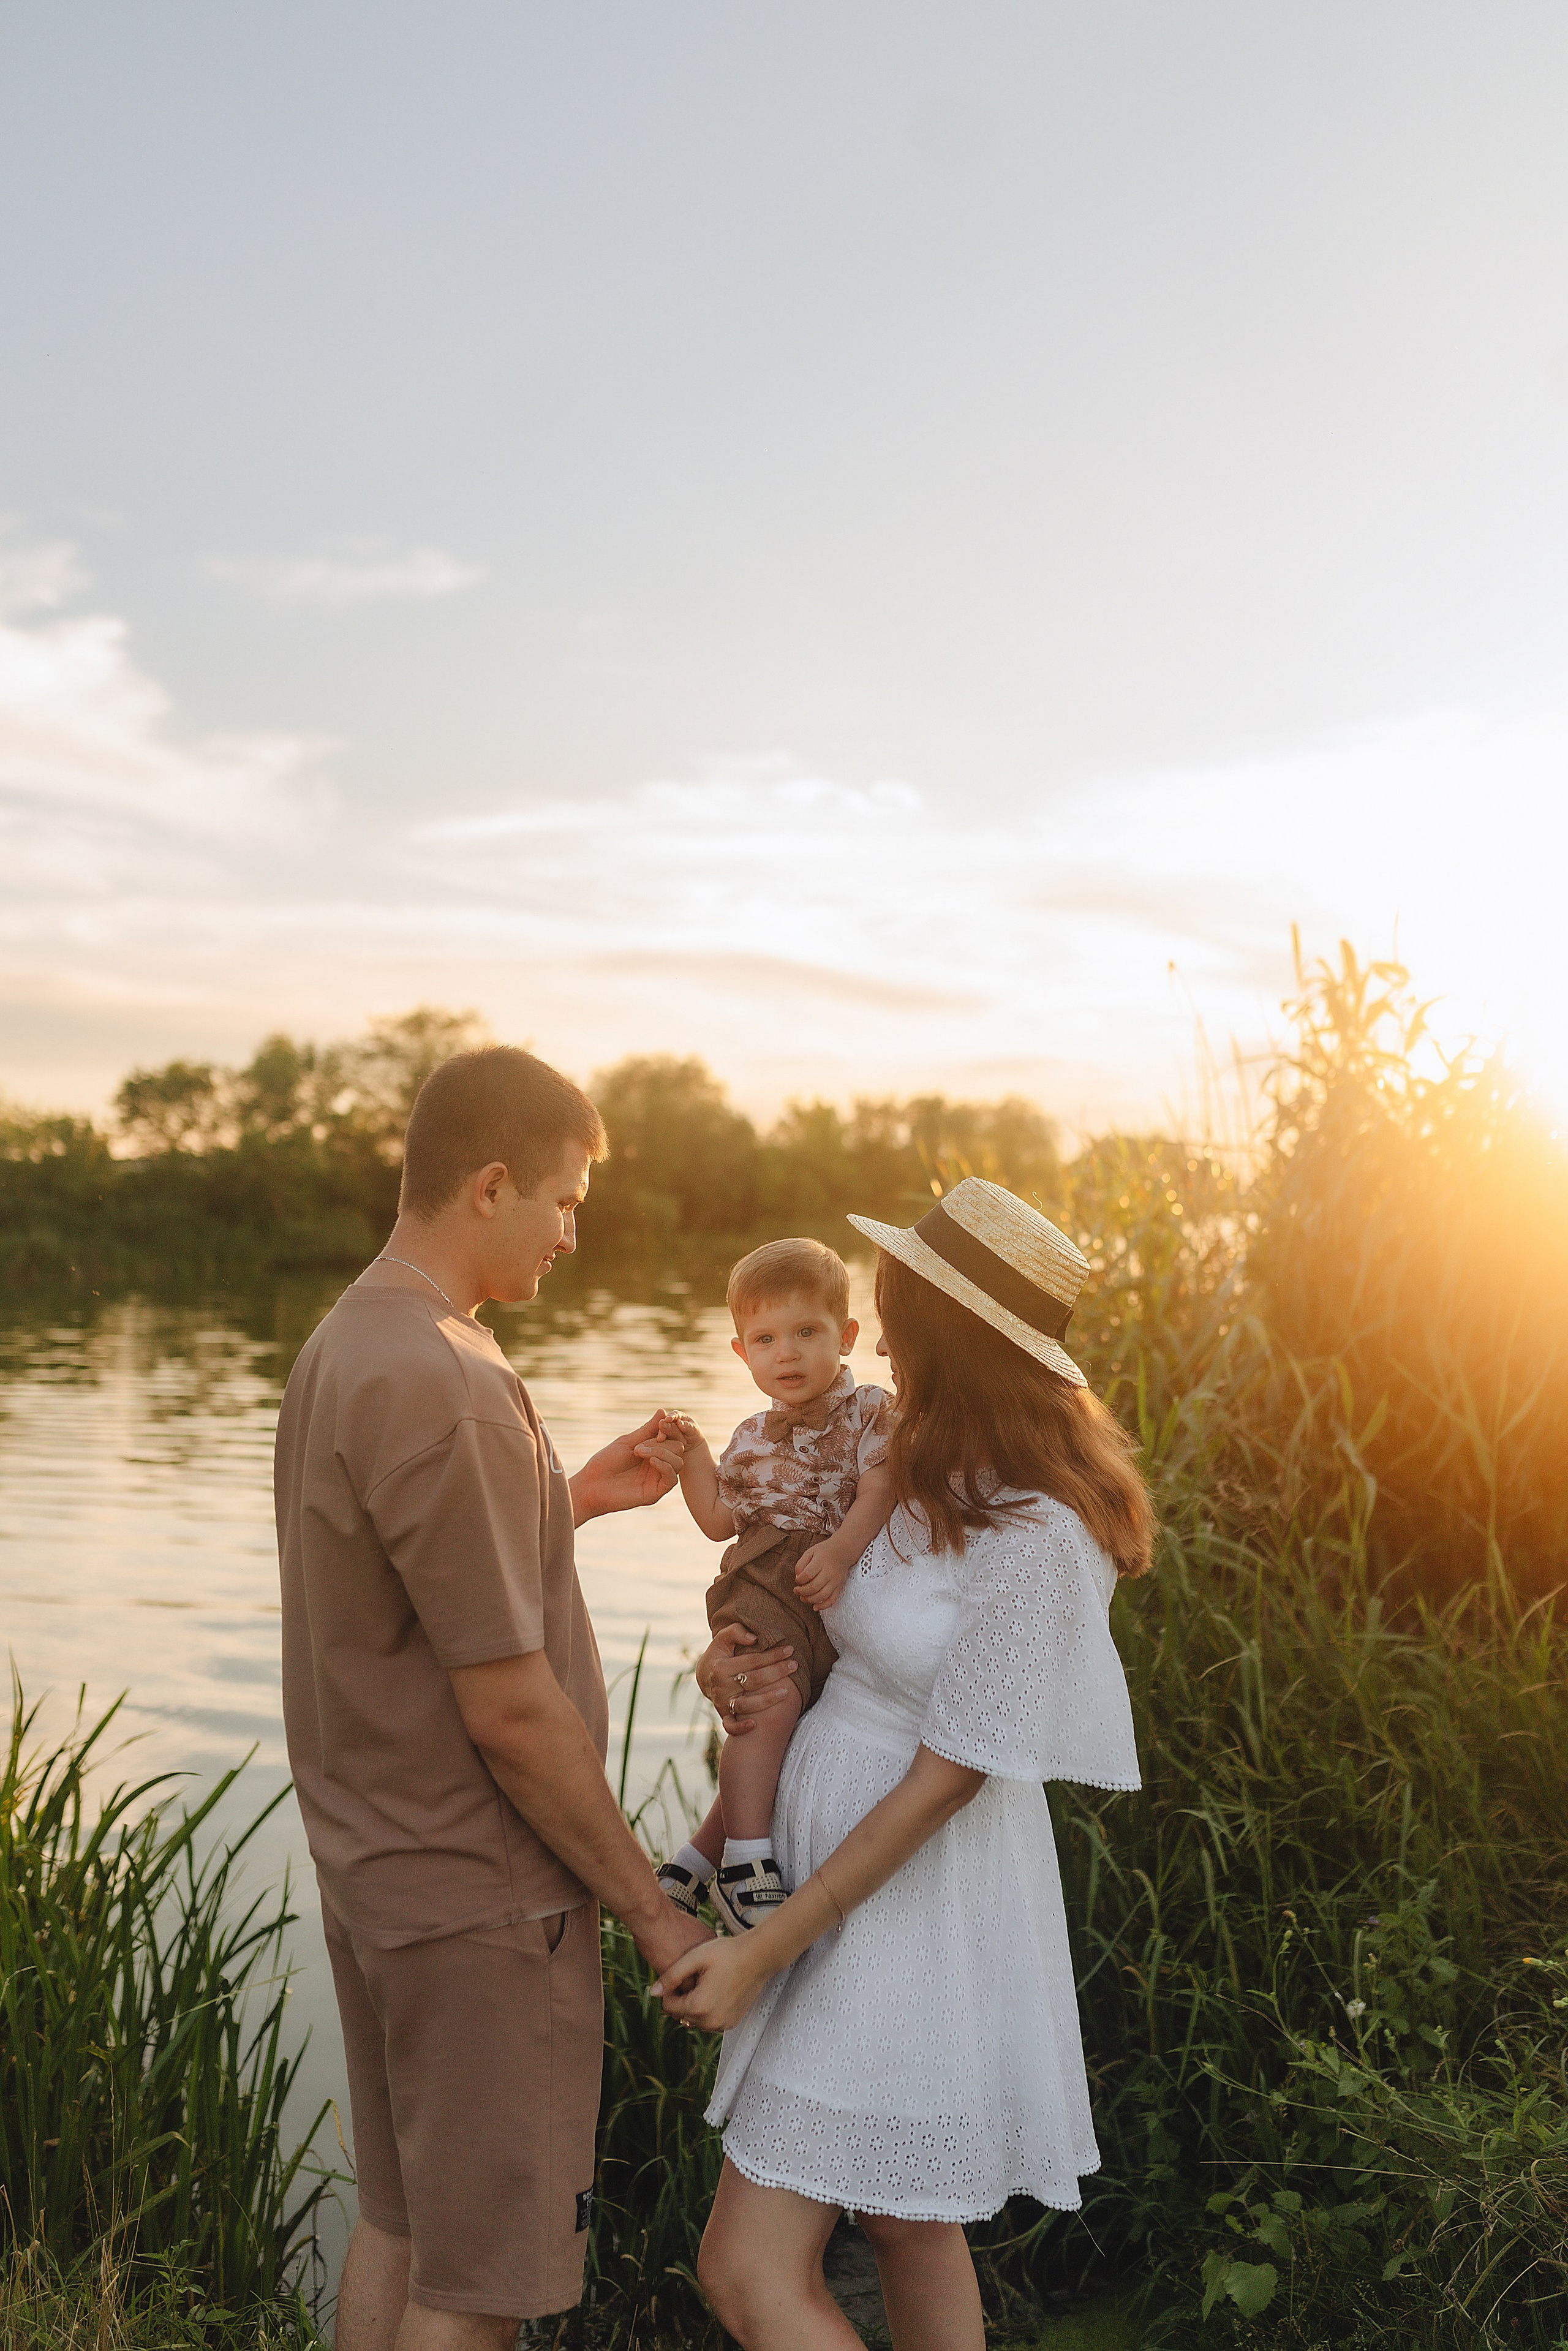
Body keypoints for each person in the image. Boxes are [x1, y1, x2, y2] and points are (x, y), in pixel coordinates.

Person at [657, 1177, 1154, 2351]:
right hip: (831, 1837)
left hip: (916, 1892)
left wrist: (767, 1939)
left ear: (949, 1333)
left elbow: (950, 1774)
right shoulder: (911, 1460)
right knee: (902, 2225)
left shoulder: (1040, 1531)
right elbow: (825, 1620)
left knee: (748, 2266)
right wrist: (732, 1668)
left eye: (890, 1309)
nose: (871, 1334)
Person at [274, 1046, 710, 2351]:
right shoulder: (451, 1382)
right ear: (491, 1183)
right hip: (481, 1898)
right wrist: (653, 1914)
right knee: (479, 2288)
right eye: (564, 1199)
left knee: (405, 2230)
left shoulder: (351, 1340)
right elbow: (511, 1710)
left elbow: (386, 1592)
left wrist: (557, 1500)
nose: (573, 1230)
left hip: (379, 1872)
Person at [652, 1238, 895, 1933]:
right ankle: (746, 1863)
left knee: (789, 1725)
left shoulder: (871, 1409)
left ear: (846, 1337)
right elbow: (718, 1520)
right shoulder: (749, 1437)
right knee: (770, 1702)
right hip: (763, 1580)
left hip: (826, 1577)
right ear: (741, 1353)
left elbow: (880, 1486)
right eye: (765, 1338)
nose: (785, 1353)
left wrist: (843, 1549)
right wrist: (694, 1458)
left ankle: (691, 1865)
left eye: (806, 1332)